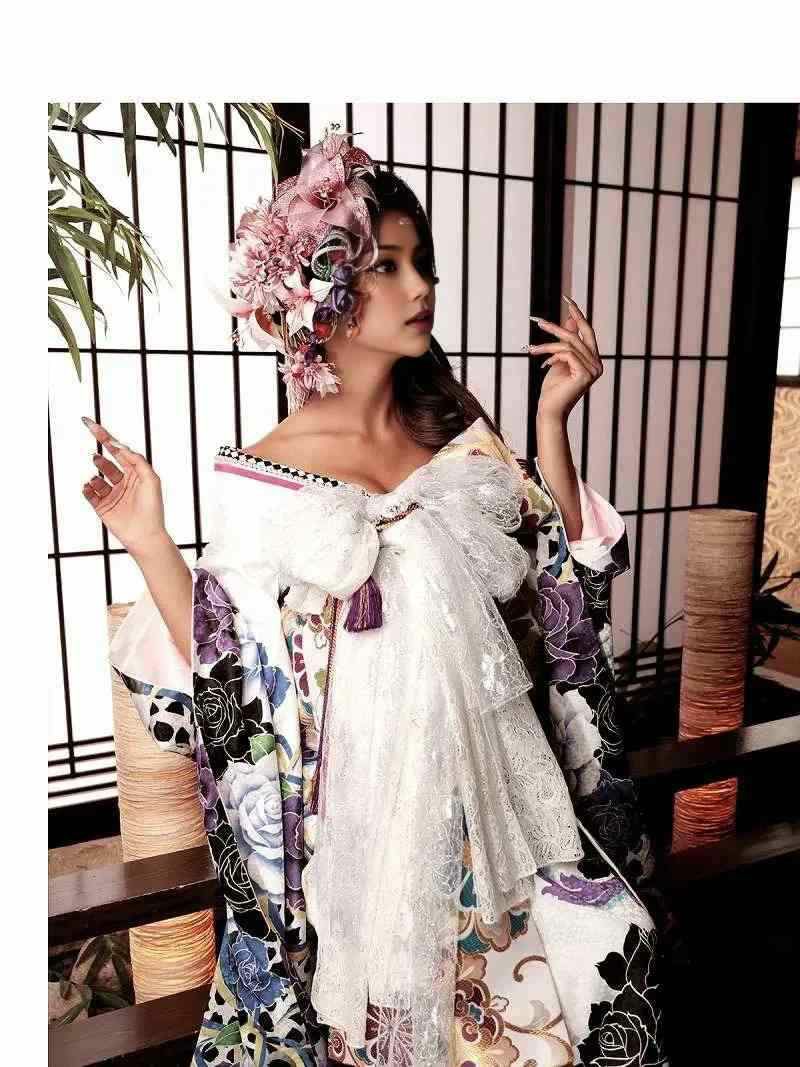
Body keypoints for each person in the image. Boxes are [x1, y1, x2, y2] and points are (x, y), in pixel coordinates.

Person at [81, 126, 668, 1067]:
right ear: (322, 293)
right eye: (387, 266)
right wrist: (149, 534)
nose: (419, 286)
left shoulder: (458, 435)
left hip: (497, 811)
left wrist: (552, 424)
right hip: (365, 830)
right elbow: (235, 670)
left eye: (420, 262)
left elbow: (552, 595)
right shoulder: (264, 476)